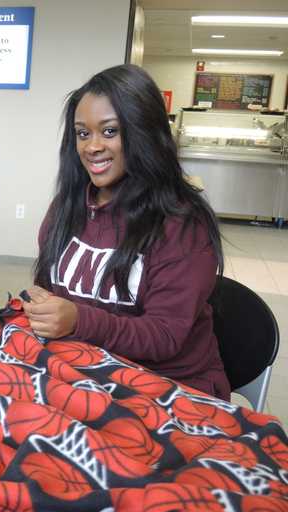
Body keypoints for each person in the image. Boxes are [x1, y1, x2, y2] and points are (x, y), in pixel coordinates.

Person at [26, 64, 229, 400]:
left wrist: (78, 320)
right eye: (82, 133)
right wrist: (45, 310)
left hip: (170, 388)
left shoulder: (182, 224)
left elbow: (164, 336)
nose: (91, 147)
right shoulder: (67, 207)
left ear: (144, 133)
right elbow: (53, 294)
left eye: (109, 132)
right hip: (89, 372)